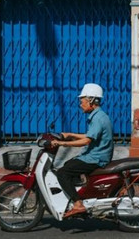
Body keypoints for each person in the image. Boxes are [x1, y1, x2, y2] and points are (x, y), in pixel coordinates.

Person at [52, 83, 114, 219]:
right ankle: (81, 194)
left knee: (62, 173)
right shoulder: (98, 116)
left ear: (91, 101)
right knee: (69, 164)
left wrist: (62, 143)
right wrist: (71, 134)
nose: (80, 104)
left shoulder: (98, 118)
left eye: (82, 101)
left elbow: (87, 141)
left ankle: (78, 204)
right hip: (95, 155)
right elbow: (90, 135)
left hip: (96, 158)